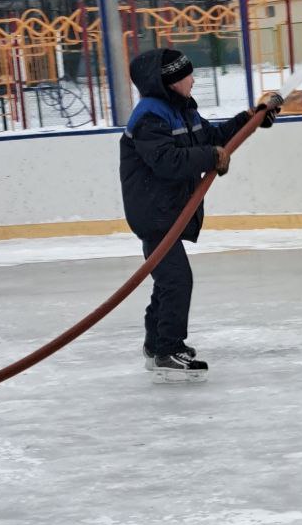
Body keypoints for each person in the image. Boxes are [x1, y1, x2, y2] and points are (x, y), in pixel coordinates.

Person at [120, 47, 283, 382]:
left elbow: (214, 138)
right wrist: (210, 156)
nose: (193, 80)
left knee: (167, 280)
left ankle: (156, 345)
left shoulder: (181, 110)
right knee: (176, 280)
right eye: (187, 76)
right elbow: (166, 161)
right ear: (169, 82)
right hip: (154, 213)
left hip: (168, 210)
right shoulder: (150, 117)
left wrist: (251, 119)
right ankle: (168, 351)